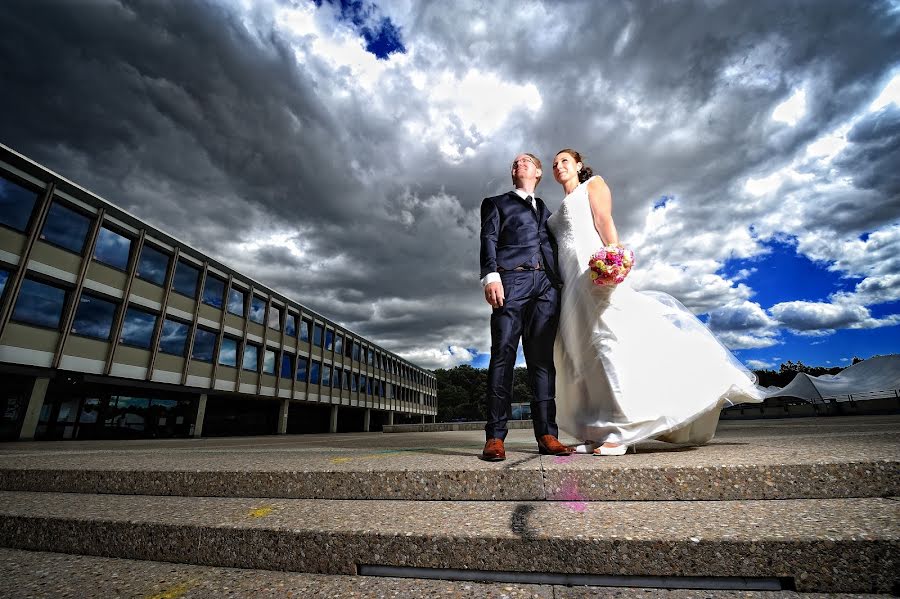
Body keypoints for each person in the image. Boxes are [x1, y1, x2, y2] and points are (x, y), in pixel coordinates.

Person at [547, 149, 764, 456]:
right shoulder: (556, 210)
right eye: (555, 164)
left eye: (565, 161)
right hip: (570, 284)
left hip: (592, 273)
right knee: (584, 355)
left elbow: (604, 220)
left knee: (607, 343)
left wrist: (614, 257)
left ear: (579, 165)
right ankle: (597, 429)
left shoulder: (592, 185)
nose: (559, 167)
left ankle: (621, 431)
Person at [478, 153, 573, 461]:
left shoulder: (548, 210)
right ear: (513, 173)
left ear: (538, 173)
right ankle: (495, 436)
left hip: (545, 287)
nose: (521, 163)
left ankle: (547, 434)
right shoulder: (495, 203)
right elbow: (488, 239)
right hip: (511, 283)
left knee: (543, 361)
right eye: (516, 162)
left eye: (528, 161)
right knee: (502, 354)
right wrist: (490, 276)